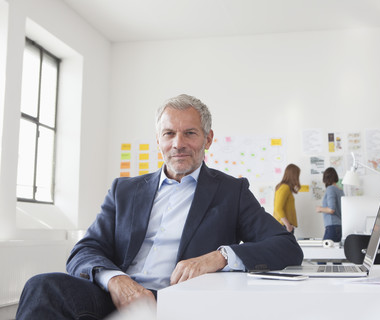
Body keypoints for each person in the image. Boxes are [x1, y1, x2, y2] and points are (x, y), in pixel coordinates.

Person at [16, 94, 303, 319]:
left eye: (190, 133)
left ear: (208, 139)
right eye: (169, 134)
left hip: (182, 301)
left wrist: (220, 257)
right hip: (118, 295)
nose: (178, 144)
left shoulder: (231, 191)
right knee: (42, 287)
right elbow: (85, 250)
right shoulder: (124, 190)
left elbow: (286, 245)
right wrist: (117, 281)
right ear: (158, 140)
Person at [316, 167, 344, 242]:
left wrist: (320, 209)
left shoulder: (330, 189)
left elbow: (331, 209)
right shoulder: (341, 191)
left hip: (332, 226)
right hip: (339, 226)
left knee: (324, 252)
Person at [273, 164, 301, 234]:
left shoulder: (285, 187)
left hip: (284, 226)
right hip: (284, 226)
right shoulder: (284, 187)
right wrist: (288, 225)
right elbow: (278, 208)